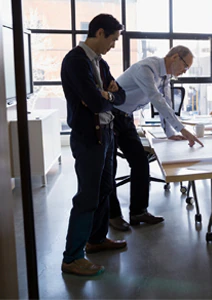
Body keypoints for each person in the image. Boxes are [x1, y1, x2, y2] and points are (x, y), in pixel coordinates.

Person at [108, 46, 204, 231]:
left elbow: (167, 103)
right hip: (110, 116)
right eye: (185, 66)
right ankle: (113, 215)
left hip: (125, 117)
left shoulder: (165, 76)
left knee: (140, 162)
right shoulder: (146, 69)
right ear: (175, 57)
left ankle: (138, 212)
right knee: (109, 168)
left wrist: (171, 133)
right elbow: (156, 99)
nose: (185, 72)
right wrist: (183, 130)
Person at [60, 14, 127, 276]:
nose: (113, 45)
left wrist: (107, 94)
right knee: (87, 196)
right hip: (89, 136)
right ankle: (72, 256)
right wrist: (105, 97)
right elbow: (96, 103)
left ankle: (96, 240)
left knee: (105, 188)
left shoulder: (100, 63)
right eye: (112, 39)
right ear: (100, 33)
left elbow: (119, 96)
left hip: (107, 133)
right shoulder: (76, 61)